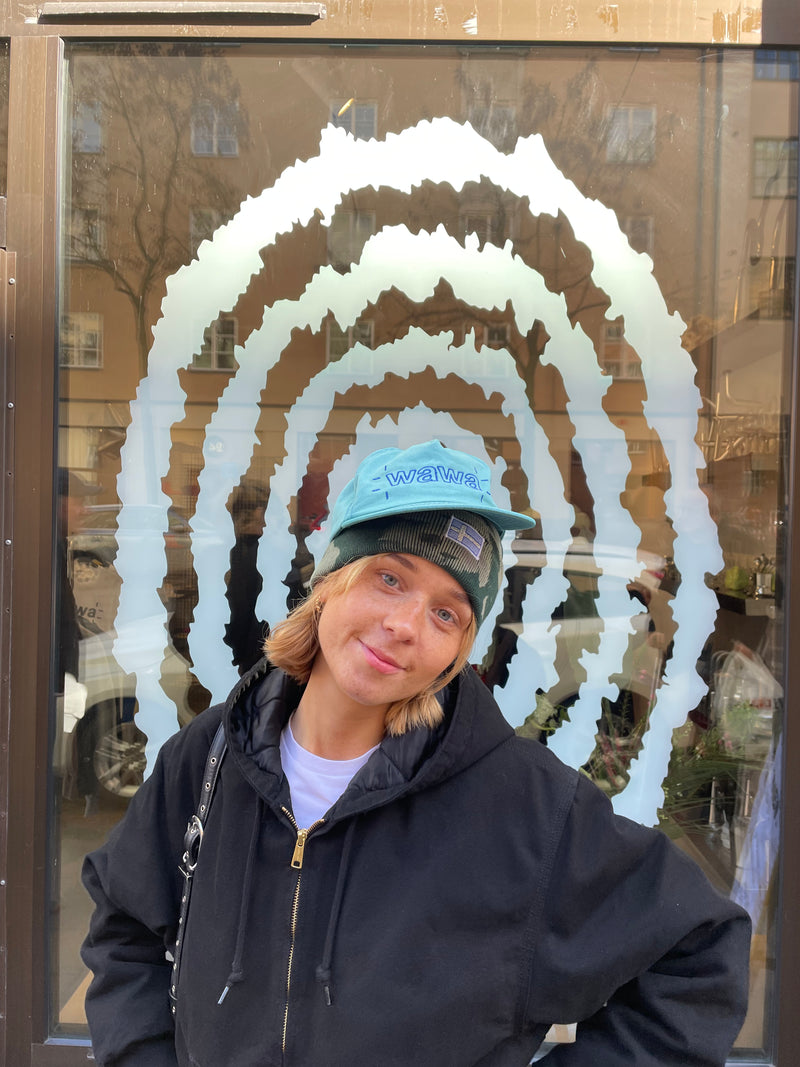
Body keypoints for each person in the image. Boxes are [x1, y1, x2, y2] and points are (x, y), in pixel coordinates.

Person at [81, 440, 751, 1067]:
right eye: (389, 578)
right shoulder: (209, 758)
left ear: (458, 650)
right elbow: (125, 925)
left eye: (447, 613)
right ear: (330, 581)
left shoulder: (526, 807)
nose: (405, 625)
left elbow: (700, 950)